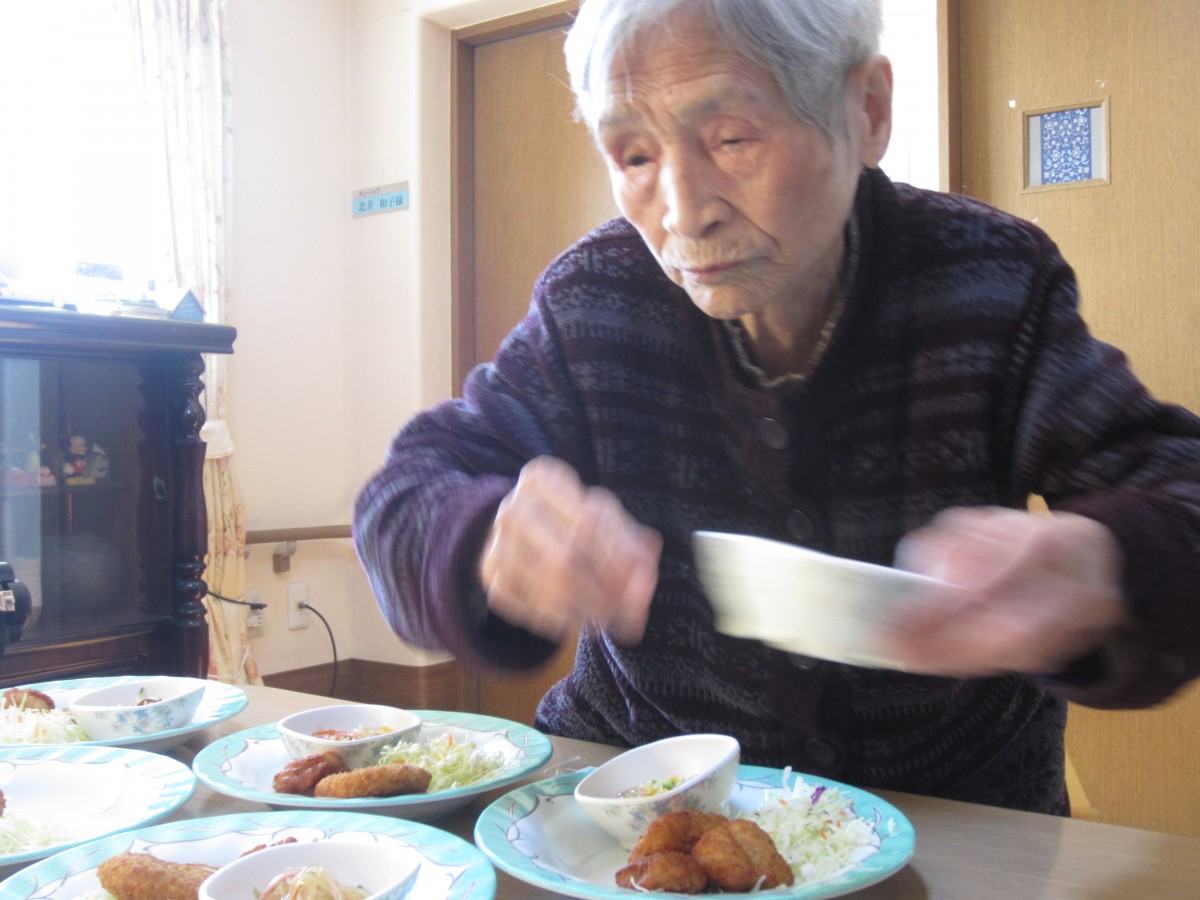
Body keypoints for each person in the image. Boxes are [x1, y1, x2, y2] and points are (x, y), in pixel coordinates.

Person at [354, 0, 1200, 815]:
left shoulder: (991, 280)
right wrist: (484, 539)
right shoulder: (595, 298)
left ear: (868, 110)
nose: (685, 213)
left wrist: (1108, 564)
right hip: (641, 799)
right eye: (635, 156)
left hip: (954, 815)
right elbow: (404, 495)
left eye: (731, 138)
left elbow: (1178, 488)